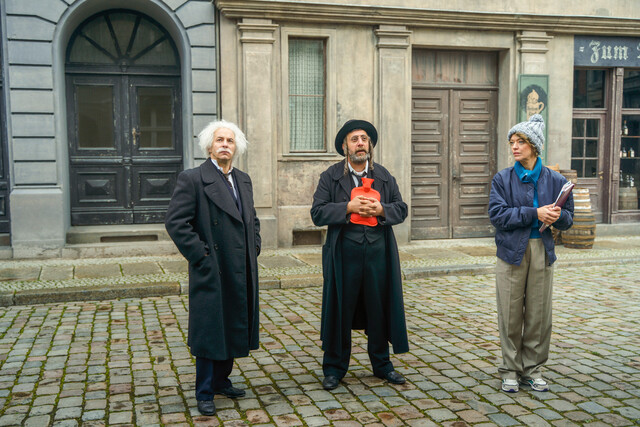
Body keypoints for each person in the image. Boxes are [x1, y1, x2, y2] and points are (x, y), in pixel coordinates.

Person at [165, 120, 261, 416]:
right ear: (209, 146)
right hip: (213, 267)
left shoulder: (243, 179)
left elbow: (251, 218)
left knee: (233, 322)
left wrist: (253, 245)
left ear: (236, 147)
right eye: (219, 140)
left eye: (230, 141)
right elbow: (176, 223)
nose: (224, 145)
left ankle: (222, 381)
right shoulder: (193, 178)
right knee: (210, 329)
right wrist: (201, 256)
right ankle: (204, 390)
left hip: (240, 266)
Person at [310, 119, 409, 390]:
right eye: (354, 139)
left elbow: (401, 208)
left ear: (370, 145)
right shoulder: (330, 177)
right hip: (344, 256)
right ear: (345, 146)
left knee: (378, 310)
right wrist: (348, 206)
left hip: (378, 256)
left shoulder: (384, 176)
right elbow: (317, 213)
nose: (360, 143)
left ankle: (382, 365)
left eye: (364, 139)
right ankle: (334, 368)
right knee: (341, 310)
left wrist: (382, 211)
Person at [488, 114, 574, 393]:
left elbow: (569, 219)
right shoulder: (502, 179)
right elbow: (497, 215)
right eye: (512, 142)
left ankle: (533, 369)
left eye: (521, 142)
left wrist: (557, 216)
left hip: (542, 252)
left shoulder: (557, 180)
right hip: (511, 252)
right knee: (510, 314)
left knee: (538, 315)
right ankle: (511, 370)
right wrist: (534, 212)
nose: (514, 147)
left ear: (534, 146)